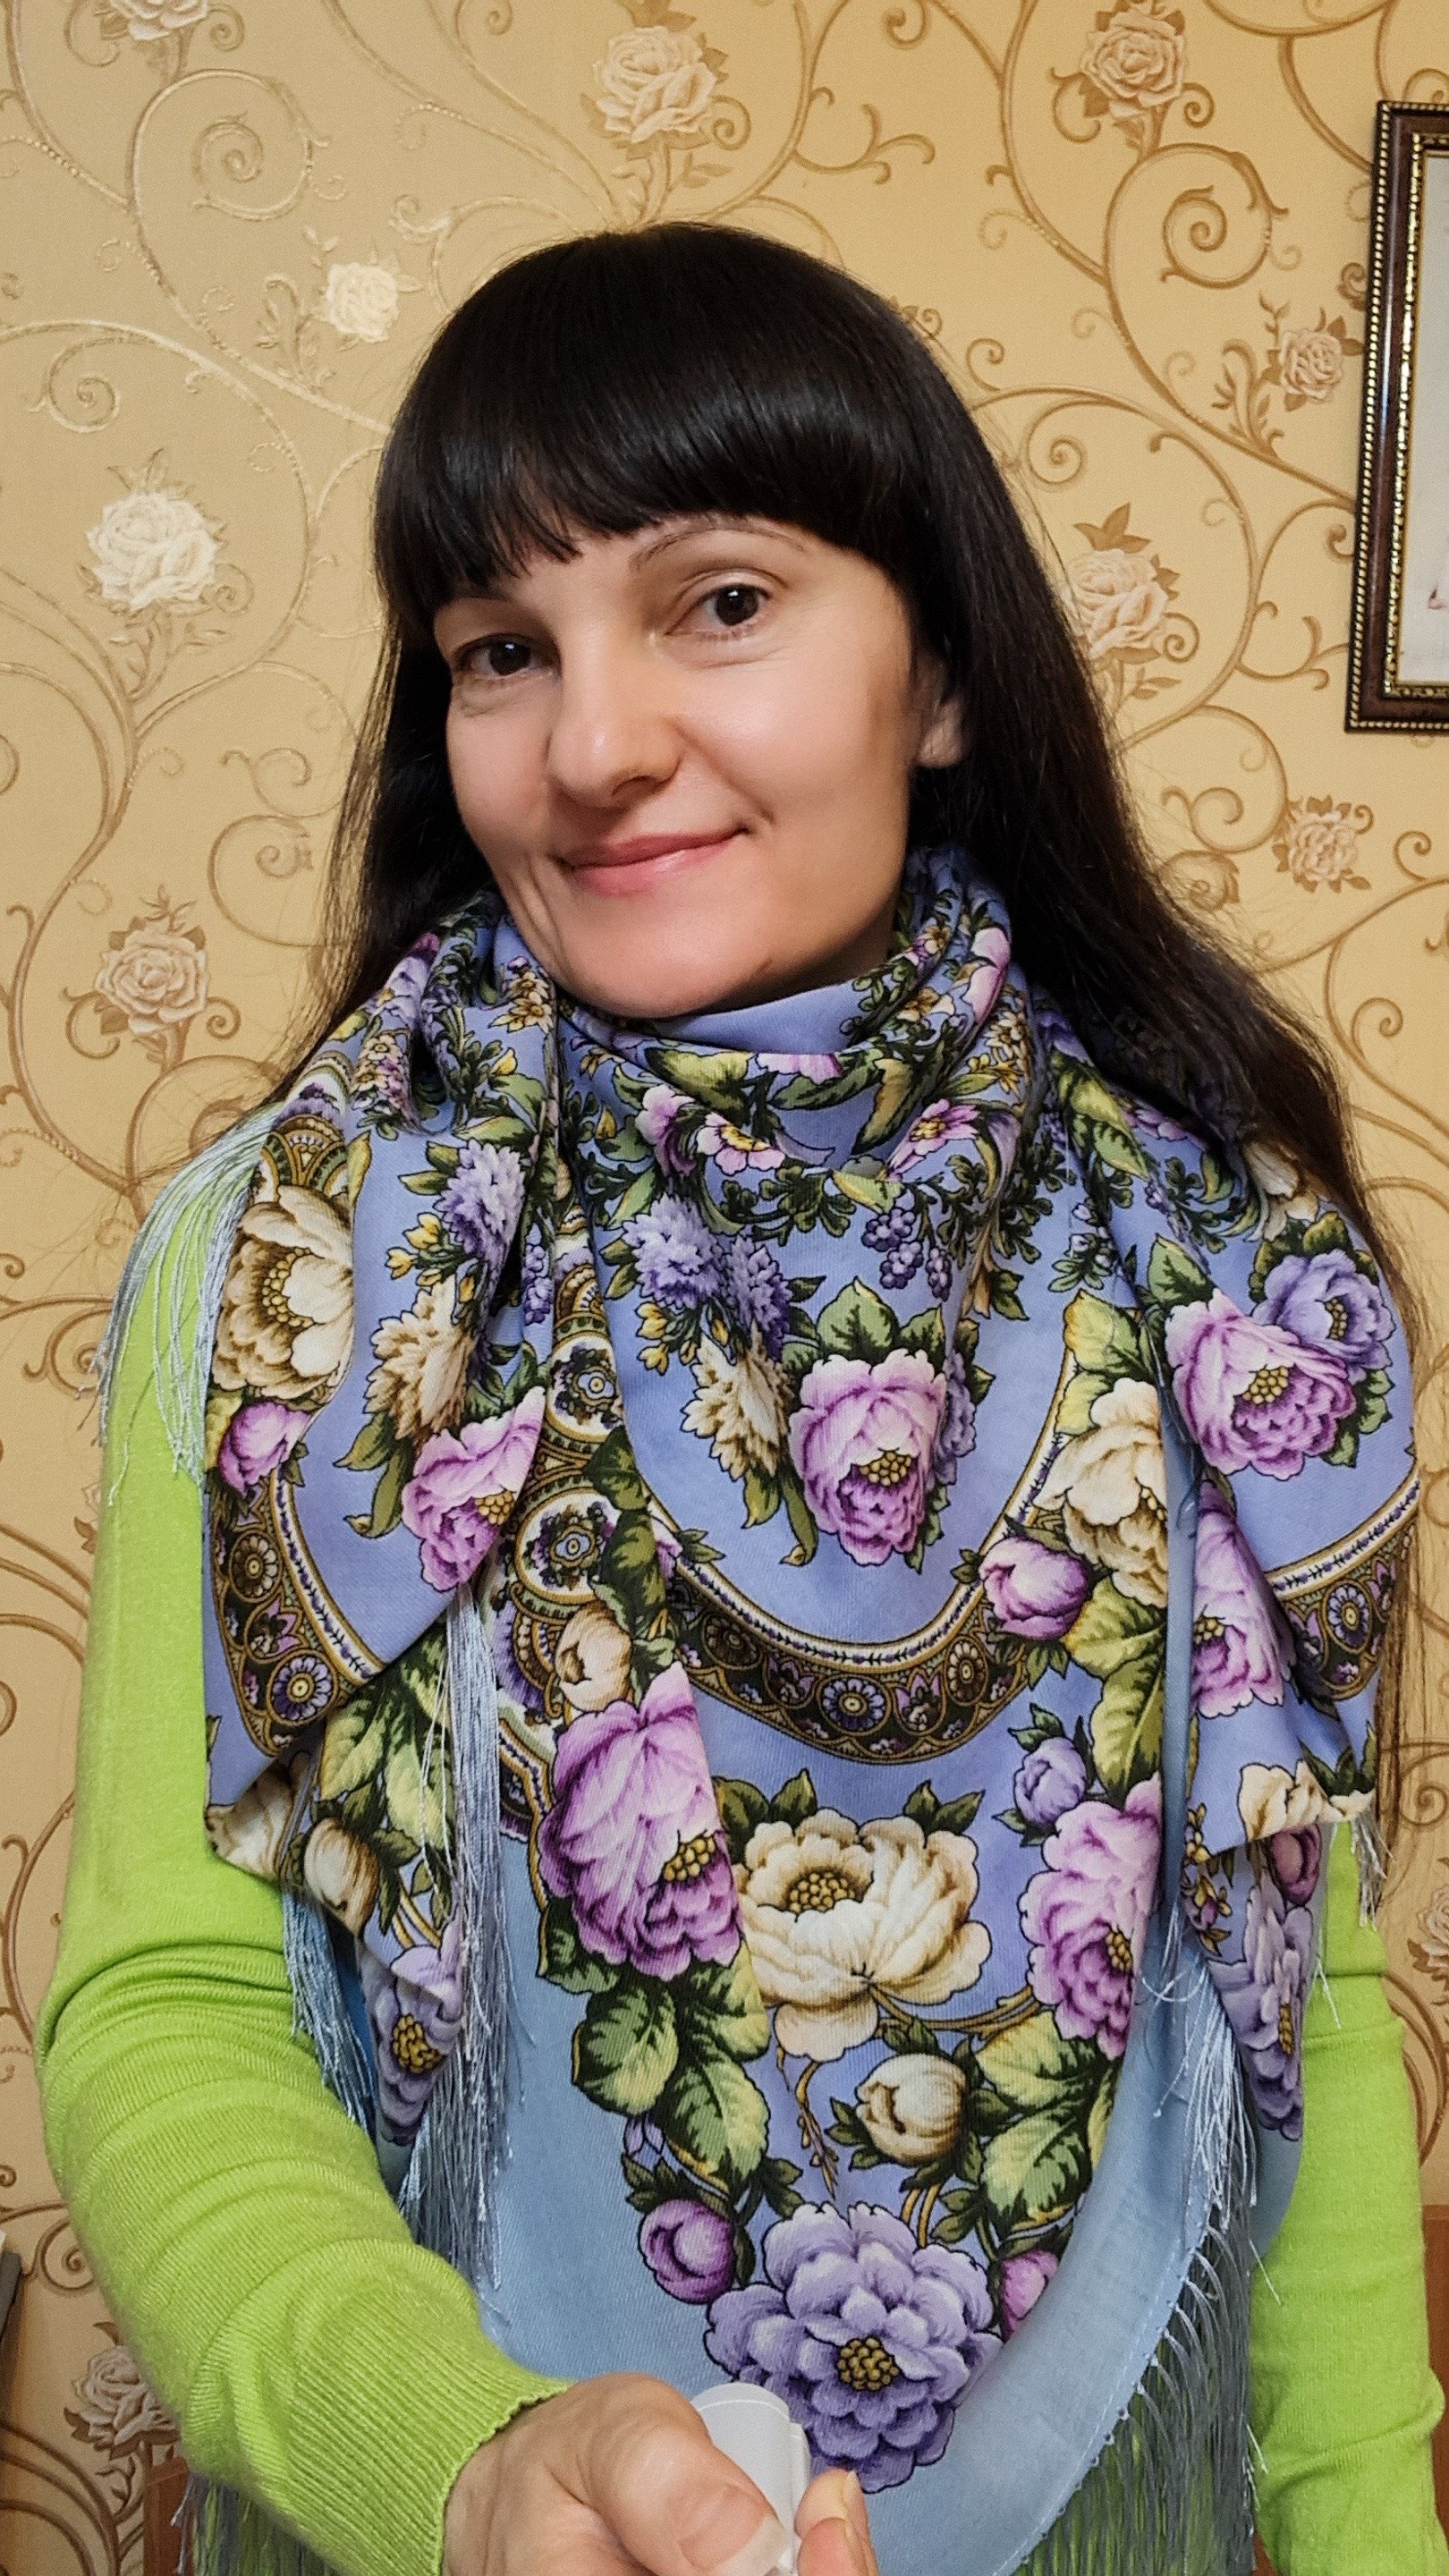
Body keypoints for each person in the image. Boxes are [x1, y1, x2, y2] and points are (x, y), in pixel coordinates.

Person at [37, 223, 1445, 2576]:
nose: (591, 747)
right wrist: (463, 2459)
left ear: (940, 675)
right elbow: (173, 1996)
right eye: (500, 649)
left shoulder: (1230, 1264)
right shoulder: (293, 1259)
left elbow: (1304, 1997)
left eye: (716, 603)